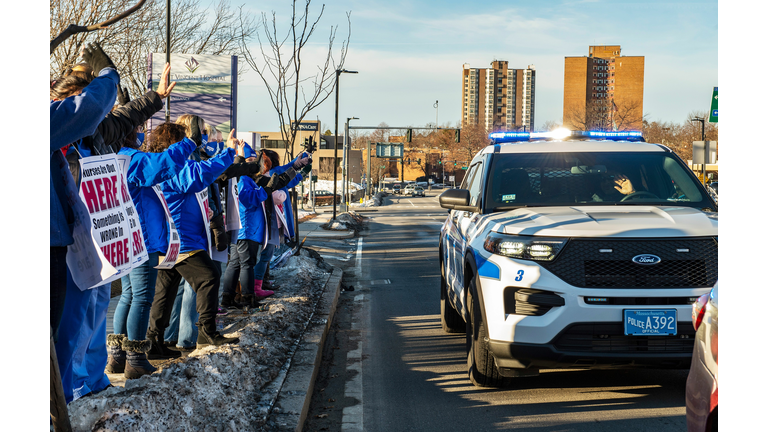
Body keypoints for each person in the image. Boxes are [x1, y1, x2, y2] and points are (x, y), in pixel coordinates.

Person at [54, 52, 176, 401]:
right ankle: (63, 393)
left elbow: (125, 116)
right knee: (71, 322)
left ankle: (92, 380)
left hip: (100, 243)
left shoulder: (96, 130)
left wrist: (156, 97)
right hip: (69, 243)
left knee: (95, 312)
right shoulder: (56, 131)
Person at [109, 121, 197, 379]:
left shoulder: (117, 157)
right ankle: (135, 359)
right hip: (142, 238)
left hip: (128, 236)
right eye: (137, 128)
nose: (142, 133)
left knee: (128, 295)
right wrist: (189, 143)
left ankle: (118, 356)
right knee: (142, 297)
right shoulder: (131, 157)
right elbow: (158, 166)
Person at [146, 126, 241, 351]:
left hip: (172, 238)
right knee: (209, 276)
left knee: (166, 290)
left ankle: (154, 340)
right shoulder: (173, 166)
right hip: (182, 239)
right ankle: (206, 331)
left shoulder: (161, 164)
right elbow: (199, 175)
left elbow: (202, 171)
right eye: (185, 140)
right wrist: (228, 152)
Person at [50, 44, 120, 343]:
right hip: (55, 243)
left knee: (80, 319)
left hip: (73, 242)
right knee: (61, 332)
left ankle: (72, 386)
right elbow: (88, 108)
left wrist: (154, 99)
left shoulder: (92, 137)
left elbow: (116, 118)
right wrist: (108, 75)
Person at [221, 151, 310, 308]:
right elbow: (249, 199)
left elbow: (280, 180)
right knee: (246, 264)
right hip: (247, 229)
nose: (266, 172)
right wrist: (266, 191)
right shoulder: (245, 180)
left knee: (236, 263)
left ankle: (229, 299)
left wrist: (296, 168)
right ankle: (247, 298)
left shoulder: (250, 179)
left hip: (245, 229)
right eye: (264, 168)